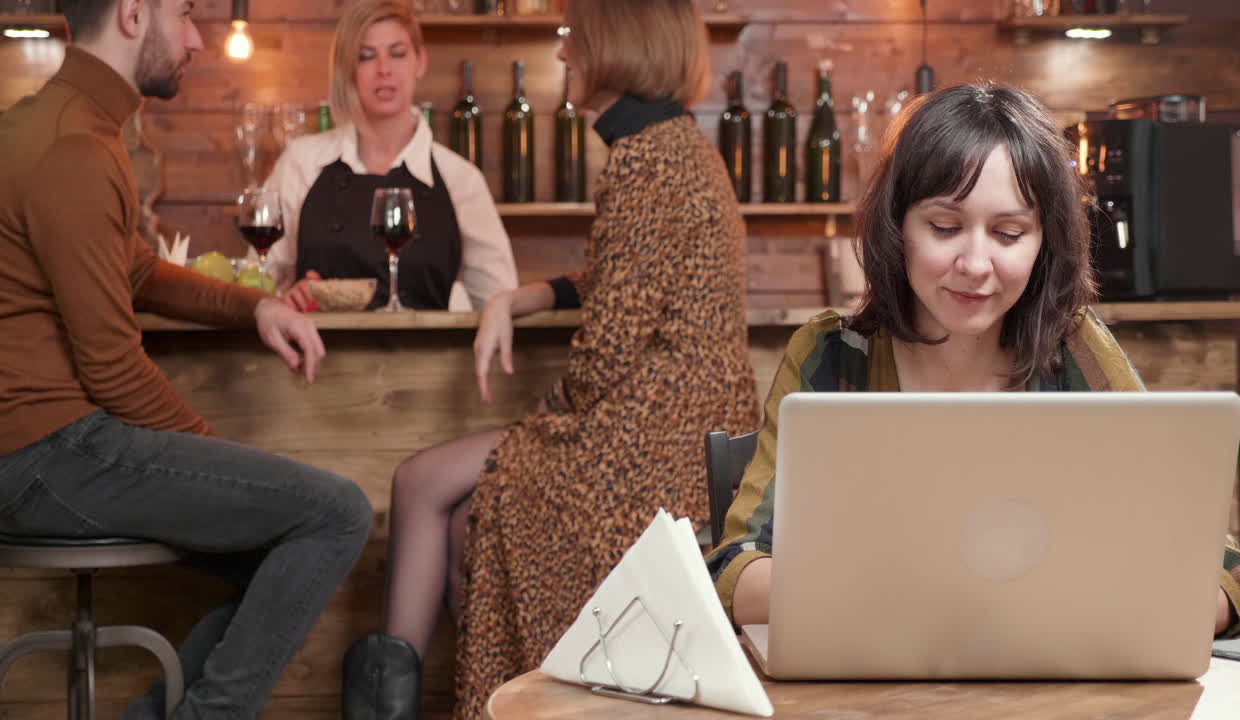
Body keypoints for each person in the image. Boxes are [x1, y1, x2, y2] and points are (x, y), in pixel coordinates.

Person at [705, 83, 1240, 638]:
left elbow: (1227, 574)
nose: (976, 263)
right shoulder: (832, 358)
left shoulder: (1070, 352)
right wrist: (925, 600)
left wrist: (1130, 607)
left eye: (1008, 233)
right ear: (896, 227)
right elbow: (736, 569)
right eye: (945, 227)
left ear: (1043, 243)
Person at [339, 1, 760, 717]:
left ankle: (496, 702)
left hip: (648, 445)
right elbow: (624, 277)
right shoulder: (673, 147)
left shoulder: (647, 158)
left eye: (574, 39)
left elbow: (607, 352)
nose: (564, 56)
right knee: (447, 507)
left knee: (424, 486)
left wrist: (548, 416)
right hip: (679, 434)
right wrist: (526, 296)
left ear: (614, 44)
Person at [0, 1, 373, 718]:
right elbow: (110, 367)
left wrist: (255, 305)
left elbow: (137, 271)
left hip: (36, 448)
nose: (199, 37)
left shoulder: (66, 125)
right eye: (186, 14)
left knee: (284, 540)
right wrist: (214, 459)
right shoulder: (71, 147)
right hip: (41, 452)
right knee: (336, 514)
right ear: (135, 14)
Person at [263, 0, 517, 312]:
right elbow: (258, 282)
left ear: (420, 61)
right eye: (366, 56)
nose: (384, 69)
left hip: (427, 359)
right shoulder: (301, 162)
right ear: (348, 69)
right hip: (318, 357)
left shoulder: (461, 179)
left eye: (397, 53)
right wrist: (284, 299)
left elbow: (500, 300)